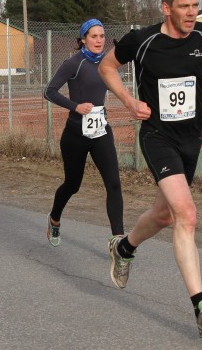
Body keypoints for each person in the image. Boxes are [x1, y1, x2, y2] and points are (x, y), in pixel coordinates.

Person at [98, 0, 202, 338]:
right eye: (184, 7)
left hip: (191, 139)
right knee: (186, 215)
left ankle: (124, 248)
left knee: (163, 214)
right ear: (166, 8)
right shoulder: (142, 40)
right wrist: (129, 102)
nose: (192, 13)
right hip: (157, 137)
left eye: (195, 6)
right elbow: (106, 68)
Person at [44, 18, 124, 248]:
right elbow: (49, 91)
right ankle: (54, 218)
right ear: (82, 39)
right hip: (75, 135)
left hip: (100, 131)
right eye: (93, 36)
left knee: (114, 184)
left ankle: (117, 241)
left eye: (102, 36)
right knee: (72, 184)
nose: (99, 40)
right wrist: (75, 106)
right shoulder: (74, 63)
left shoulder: (107, 64)